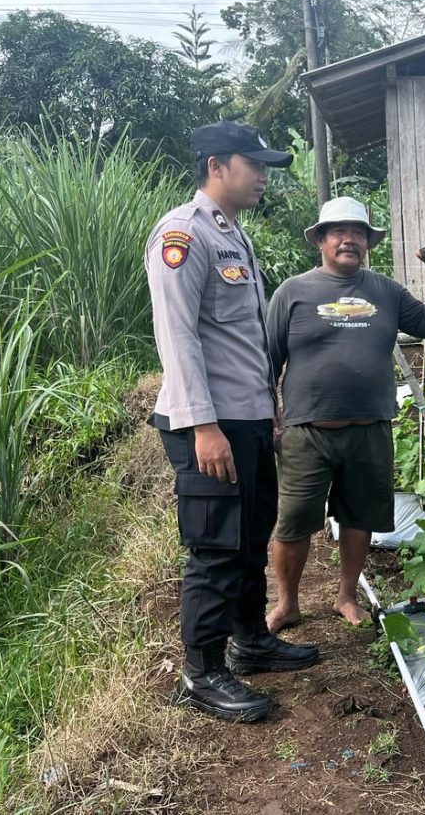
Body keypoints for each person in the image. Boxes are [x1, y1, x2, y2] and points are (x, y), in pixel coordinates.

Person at [146, 120, 320, 722]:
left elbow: (240, 338)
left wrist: (266, 406)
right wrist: (203, 426)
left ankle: (251, 641)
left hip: (245, 416)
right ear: (218, 165)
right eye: (255, 164)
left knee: (251, 535)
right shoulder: (183, 235)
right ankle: (202, 674)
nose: (264, 175)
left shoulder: (233, 236)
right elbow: (178, 338)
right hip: (209, 422)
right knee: (216, 546)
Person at [265, 195, 425, 630]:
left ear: (368, 242)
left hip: (369, 429)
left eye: (358, 233)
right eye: (338, 232)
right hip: (307, 430)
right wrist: (270, 416)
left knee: (359, 516)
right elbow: (267, 358)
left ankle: (346, 595)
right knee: (293, 521)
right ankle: (287, 602)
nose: (348, 239)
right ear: (321, 241)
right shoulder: (293, 291)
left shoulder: (384, 290)